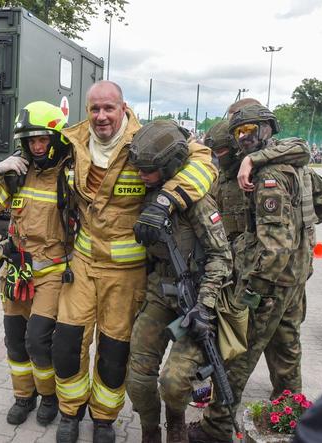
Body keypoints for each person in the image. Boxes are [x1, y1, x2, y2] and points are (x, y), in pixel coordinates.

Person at [51, 80, 218, 443]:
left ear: (123, 107)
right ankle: (70, 410)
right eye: (94, 109)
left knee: (114, 350)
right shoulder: (73, 140)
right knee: (66, 342)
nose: (101, 116)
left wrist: (165, 201)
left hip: (126, 273)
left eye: (108, 108)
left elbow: (204, 162)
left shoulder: (147, 139)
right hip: (81, 263)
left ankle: (104, 417)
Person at [188, 104, 314, 443]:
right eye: (239, 133)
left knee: (240, 354)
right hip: (294, 279)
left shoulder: (266, 176)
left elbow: (273, 247)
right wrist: (302, 240)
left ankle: (215, 429)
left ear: (268, 130)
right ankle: (290, 416)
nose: (245, 139)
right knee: (287, 350)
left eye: (251, 131)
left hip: (270, 284)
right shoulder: (293, 167)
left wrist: (251, 291)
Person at [126, 120, 232, 443]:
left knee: (174, 383)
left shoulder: (197, 201)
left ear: (169, 165)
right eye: (139, 168)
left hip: (196, 300)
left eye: (148, 170)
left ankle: (176, 422)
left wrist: (205, 305)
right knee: (138, 377)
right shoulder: (150, 196)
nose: (141, 175)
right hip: (161, 292)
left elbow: (221, 257)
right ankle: (149, 431)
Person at [0, 101, 74, 427]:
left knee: (39, 339)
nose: (37, 146)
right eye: (31, 141)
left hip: (53, 272)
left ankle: (48, 396)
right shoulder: (18, 174)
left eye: (43, 140)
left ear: (55, 140)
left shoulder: (69, 176)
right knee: (14, 339)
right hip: (17, 270)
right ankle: (23, 397)